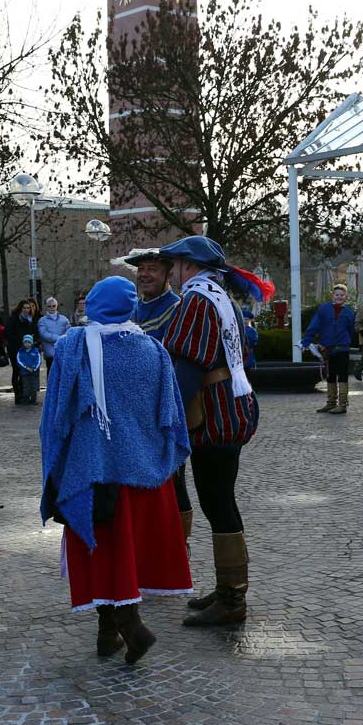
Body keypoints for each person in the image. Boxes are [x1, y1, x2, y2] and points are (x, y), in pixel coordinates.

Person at [40, 276, 192, 663]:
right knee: (127, 554)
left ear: (92, 304)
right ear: (130, 306)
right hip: (144, 476)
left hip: (93, 471)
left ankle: (126, 627)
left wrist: (57, 467)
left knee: (102, 551)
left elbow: (56, 417)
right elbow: (171, 417)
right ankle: (109, 634)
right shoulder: (153, 350)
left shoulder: (73, 346)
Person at [160, 235, 271, 627]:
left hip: (214, 416)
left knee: (217, 502)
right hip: (231, 407)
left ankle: (232, 599)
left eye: (174, 265)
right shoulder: (219, 296)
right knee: (219, 500)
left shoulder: (196, 300)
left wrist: (166, 417)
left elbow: (188, 367)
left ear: (189, 266)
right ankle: (228, 589)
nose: (172, 272)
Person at [120, 247, 193, 547]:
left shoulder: (177, 309)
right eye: (141, 269)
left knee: (173, 479)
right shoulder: (131, 309)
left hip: (164, 409)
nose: (145, 274)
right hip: (131, 413)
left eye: (152, 269)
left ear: (167, 274)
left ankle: (177, 545)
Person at [302, 284, 356, 414]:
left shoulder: (349, 312)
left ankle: (342, 405)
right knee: (330, 376)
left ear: (345, 297)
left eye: (342, 295)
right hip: (328, 349)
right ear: (333, 295)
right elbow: (314, 325)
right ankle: (331, 403)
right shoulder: (324, 309)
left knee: (342, 376)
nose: (339, 297)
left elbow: (351, 330)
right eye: (337, 294)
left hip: (342, 349)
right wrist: (306, 341)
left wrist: (347, 342)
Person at [5, 299, 39, 404]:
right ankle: (18, 395)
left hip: (28, 350)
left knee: (27, 372)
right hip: (16, 349)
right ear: (20, 308)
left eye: (28, 308)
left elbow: (35, 332)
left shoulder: (31, 320)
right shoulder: (14, 318)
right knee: (17, 371)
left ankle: (27, 394)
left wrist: (33, 342)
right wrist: (21, 340)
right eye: (24, 308)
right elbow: (8, 333)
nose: (26, 310)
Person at [37, 297, 70, 374]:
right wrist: (60, 338)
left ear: (57, 306)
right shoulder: (42, 320)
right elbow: (43, 334)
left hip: (62, 350)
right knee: (51, 373)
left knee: (62, 373)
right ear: (46, 307)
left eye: (54, 306)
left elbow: (69, 331)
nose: (52, 308)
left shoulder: (64, 319)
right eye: (49, 306)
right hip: (50, 352)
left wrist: (62, 338)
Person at [16, 334, 42, 404]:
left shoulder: (36, 351)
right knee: (26, 387)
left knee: (34, 387)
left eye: (29, 342)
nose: (27, 344)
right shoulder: (20, 351)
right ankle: (26, 399)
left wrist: (33, 368)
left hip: (34, 372)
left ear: (32, 343)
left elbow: (38, 361)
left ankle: (33, 400)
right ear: (23, 343)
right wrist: (26, 367)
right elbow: (19, 361)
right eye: (25, 342)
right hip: (25, 372)